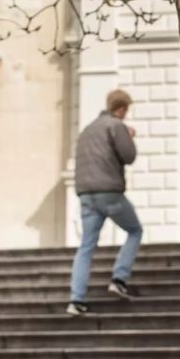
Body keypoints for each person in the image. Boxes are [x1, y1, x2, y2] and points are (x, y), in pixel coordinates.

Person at [67, 89, 143, 316]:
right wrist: (128, 136)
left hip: (86, 195)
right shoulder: (116, 125)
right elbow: (128, 156)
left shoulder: (87, 130)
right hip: (109, 192)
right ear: (122, 109)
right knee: (135, 230)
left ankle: (76, 300)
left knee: (86, 247)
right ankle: (119, 279)